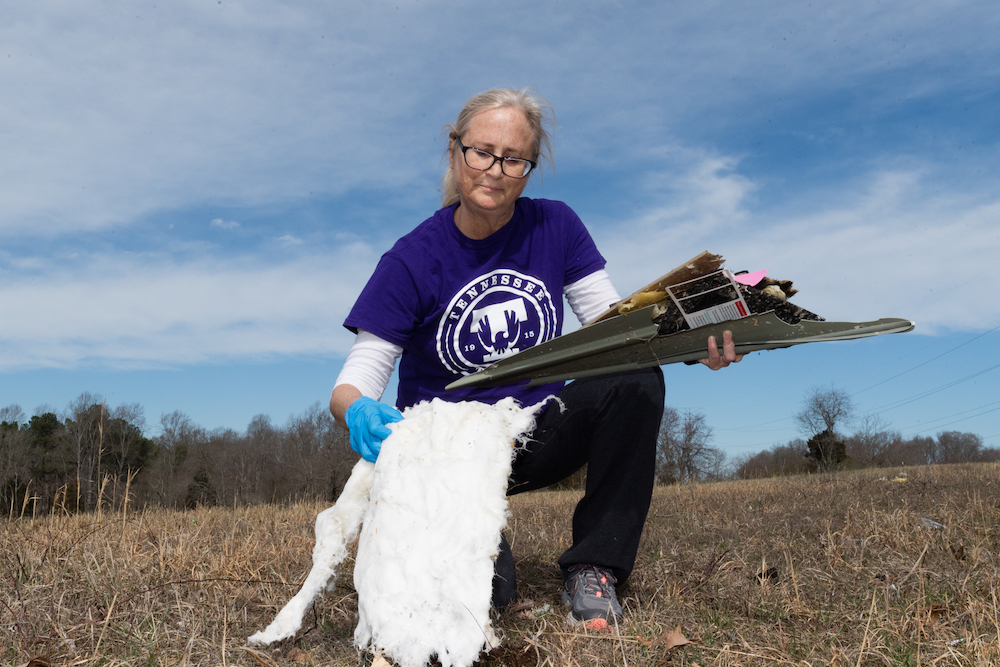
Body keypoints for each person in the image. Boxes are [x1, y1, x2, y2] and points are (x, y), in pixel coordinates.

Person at [330, 88, 742, 631]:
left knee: (634, 376)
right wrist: (359, 412)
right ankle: (478, 536)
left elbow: (613, 329)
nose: (495, 171)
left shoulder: (556, 227)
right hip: (451, 453)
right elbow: (352, 384)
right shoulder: (411, 260)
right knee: (487, 603)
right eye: (482, 152)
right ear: (455, 152)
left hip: (536, 428)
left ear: (530, 168)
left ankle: (595, 566)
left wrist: (688, 347)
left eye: (515, 159)